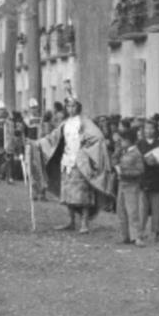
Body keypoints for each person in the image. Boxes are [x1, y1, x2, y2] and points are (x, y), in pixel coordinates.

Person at [34, 91, 111, 234]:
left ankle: (84, 222)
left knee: (83, 194)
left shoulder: (85, 122)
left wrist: (85, 149)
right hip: (66, 161)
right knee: (68, 194)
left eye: (73, 106)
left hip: (80, 162)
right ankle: (71, 221)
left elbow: (97, 137)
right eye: (68, 106)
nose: (71, 109)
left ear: (78, 107)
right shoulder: (65, 123)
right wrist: (36, 143)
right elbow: (52, 138)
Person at [138, 119, 159, 241]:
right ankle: (140, 232)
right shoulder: (139, 144)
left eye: (151, 128)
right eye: (146, 128)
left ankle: (157, 232)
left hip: (157, 179)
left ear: (155, 130)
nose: (149, 131)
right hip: (143, 179)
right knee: (142, 208)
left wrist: (156, 163)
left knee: (157, 207)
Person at [115, 128, 146, 246]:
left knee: (132, 211)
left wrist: (124, 172)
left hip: (131, 185)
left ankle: (137, 236)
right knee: (121, 210)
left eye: (122, 140)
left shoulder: (136, 154)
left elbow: (140, 170)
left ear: (129, 141)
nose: (121, 142)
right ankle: (125, 236)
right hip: (122, 184)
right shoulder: (124, 151)